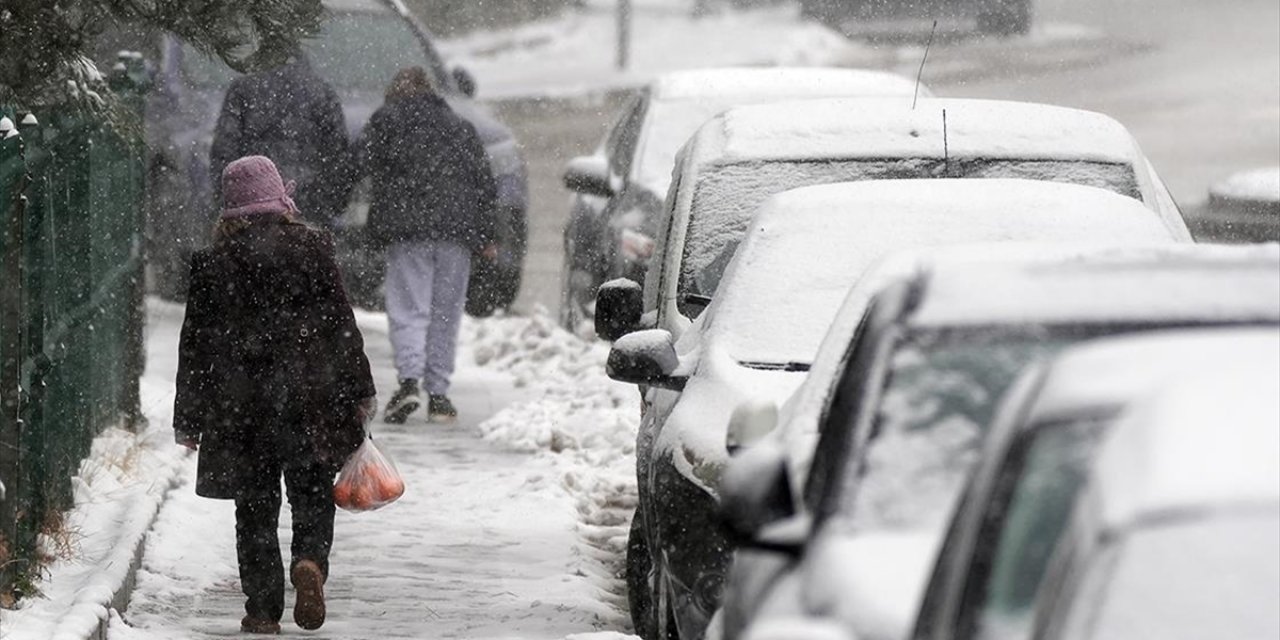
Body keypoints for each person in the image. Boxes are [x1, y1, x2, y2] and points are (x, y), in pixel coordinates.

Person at [173, 156, 376, 634]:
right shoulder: (313, 248)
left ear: (229, 208)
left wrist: (189, 415)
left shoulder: (212, 263)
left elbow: (195, 344)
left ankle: (262, 609)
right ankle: (309, 560)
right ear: (279, 198)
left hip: (241, 405)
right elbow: (340, 325)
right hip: (309, 396)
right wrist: (360, 388)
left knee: (255, 505)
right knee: (310, 491)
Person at [355, 66, 498, 424]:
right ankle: (439, 395)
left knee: (409, 309)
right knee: (445, 313)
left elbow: (355, 164)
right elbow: (484, 183)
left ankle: (408, 383)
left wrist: (328, 204)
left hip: (408, 231)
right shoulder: (460, 126)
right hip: (456, 232)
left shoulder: (387, 121)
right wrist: (487, 234)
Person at [210, 47, 350, 226]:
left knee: (257, 251)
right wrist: (330, 202)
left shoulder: (243, 89)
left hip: (254, 203)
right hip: (308, 201)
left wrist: (228, 202)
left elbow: (224, 148)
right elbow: (338, 152)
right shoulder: (322, 91)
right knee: (306, 250)